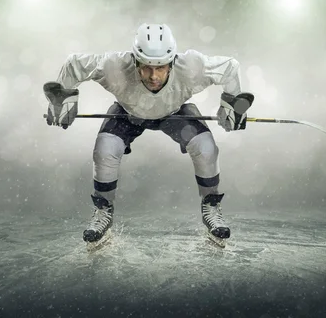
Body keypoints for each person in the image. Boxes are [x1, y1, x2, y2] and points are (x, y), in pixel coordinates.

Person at [44, 23, 254, 246]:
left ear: (173, 63)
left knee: (206, 148)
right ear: (134, 61)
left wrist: (230, 104)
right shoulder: (115, 66)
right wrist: (64, 102)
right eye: (146, 67)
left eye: (161, 67)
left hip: (174, 114)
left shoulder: (192, 66)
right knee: (104, 150)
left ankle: (211, 206)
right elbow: (74, 65)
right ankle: (102, 210)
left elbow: (230, 67)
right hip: (128, 114)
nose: (154, 76)